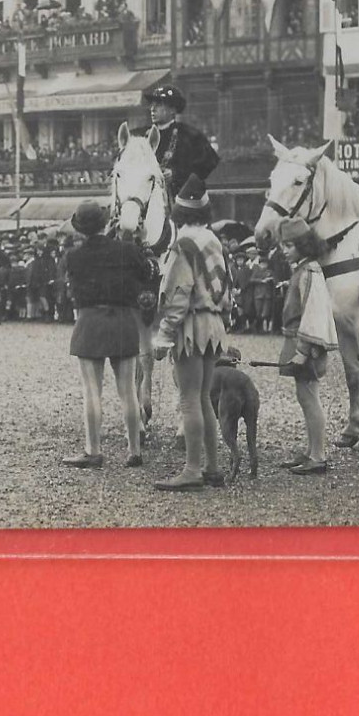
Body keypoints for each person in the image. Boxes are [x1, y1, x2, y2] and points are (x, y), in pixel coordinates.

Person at [149, 175, 228, 491]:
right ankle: (211, 466)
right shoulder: (213, 240)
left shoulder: (182, 244)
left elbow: (179, 292)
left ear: (177, 214)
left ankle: (192, 470)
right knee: (205, 398)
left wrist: (164, 336)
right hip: (213, 322)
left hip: (191, 325)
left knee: (189, 399)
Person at [62, 201, 151, 468]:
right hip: (123, 320)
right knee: (127, 391)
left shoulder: (73, 256)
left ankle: (93, 450)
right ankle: (134, 450)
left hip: (90, 321)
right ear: (106, 223)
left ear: (80, 228)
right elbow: (146, 272)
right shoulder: (127, 250)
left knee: (92, 391)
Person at [273, 218, 340, 475]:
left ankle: (318, 456)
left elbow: (313, 312)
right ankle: (312, 450)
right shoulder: (302, 269)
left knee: (309, 397)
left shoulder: (309, 271)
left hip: (306, 344)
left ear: (303, 245)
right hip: (300, 341)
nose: (284, 249)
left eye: (289, 245)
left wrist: (302, 351)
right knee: (305, 396)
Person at [140, 83, 220, 203]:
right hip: (146, 198)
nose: (153, 108)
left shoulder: (190, 136)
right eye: (152, 104)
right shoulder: (140, 136)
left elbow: (207, 165)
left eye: (159, 104)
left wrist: (176, 174)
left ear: (173, 109)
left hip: (181, 199)